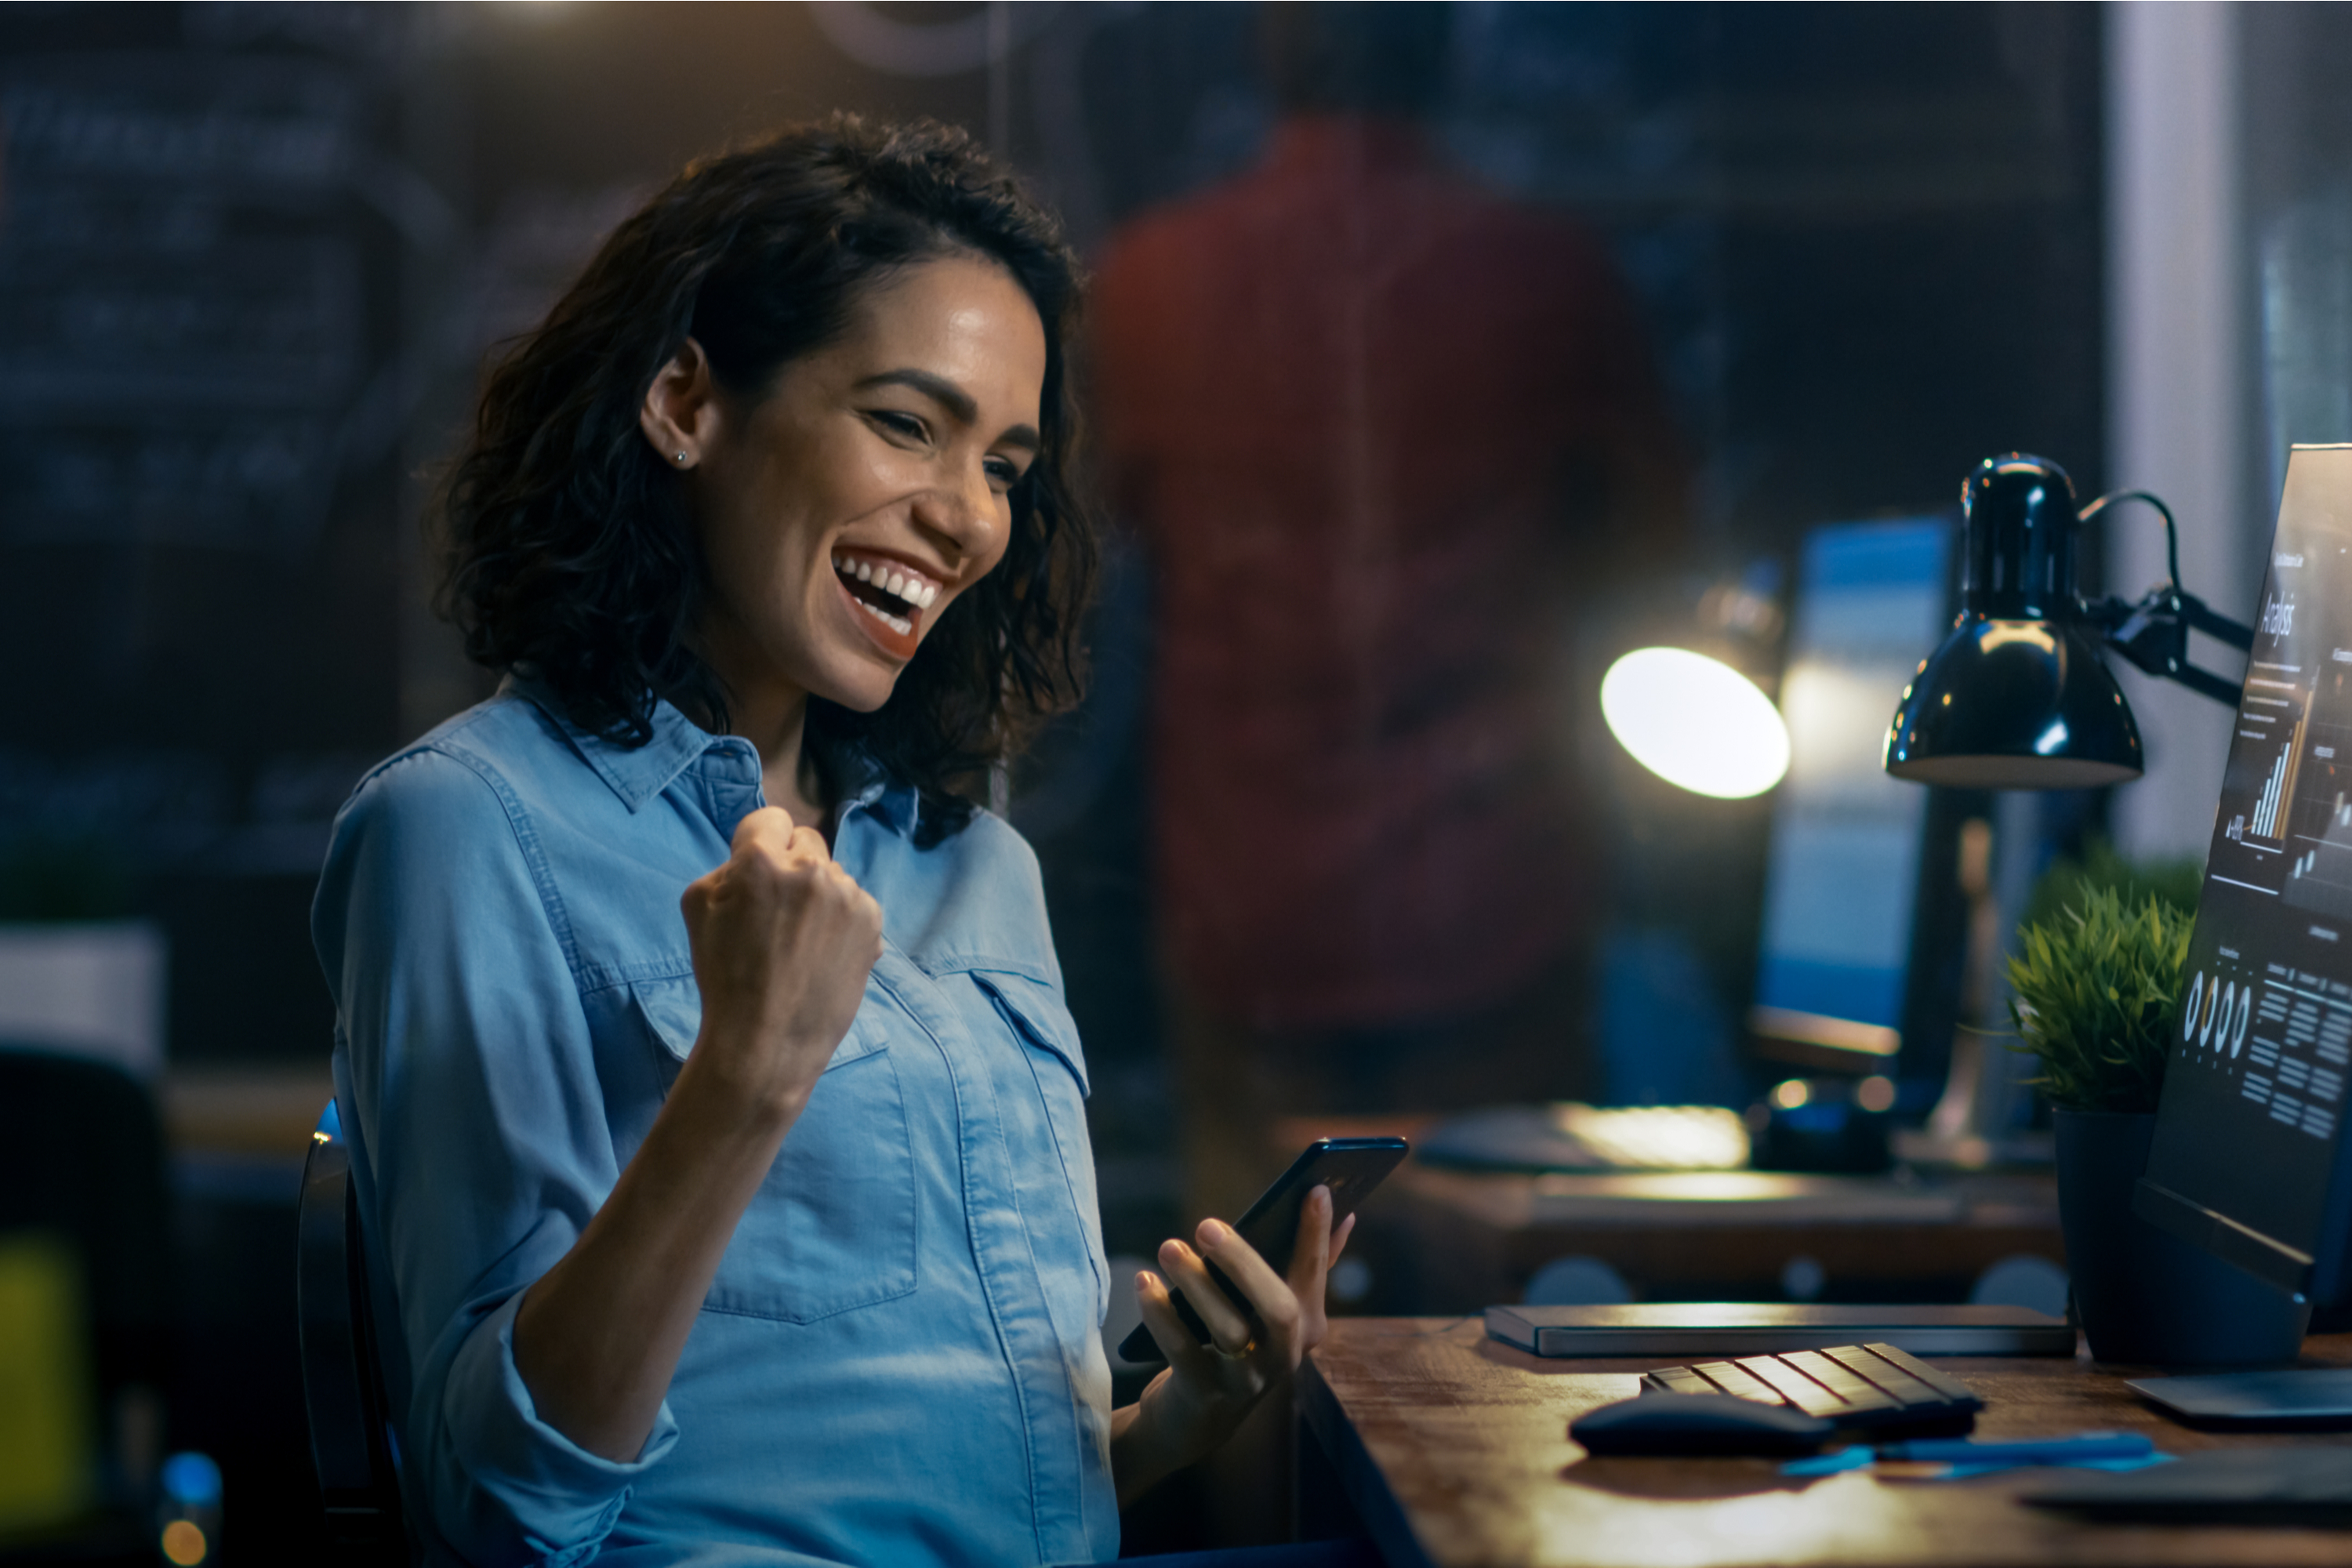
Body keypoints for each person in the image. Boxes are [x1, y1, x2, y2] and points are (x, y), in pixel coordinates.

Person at [312, 117, 1351, 1568]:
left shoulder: (976, 865)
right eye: (908, 423)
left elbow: (940, 1460)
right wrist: (744, 1077)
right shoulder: (464, 827)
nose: (966, 519)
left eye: (1005, 464)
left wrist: (1176, 1419)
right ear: (685, 402)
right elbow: (495, 1507)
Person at [1090, 5, 1690, 1223]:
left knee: (1249, 1323)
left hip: (1239, 900)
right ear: (1449, 51)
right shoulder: (1547, 273)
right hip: (1493, 895)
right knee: (1500, 1322)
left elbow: (1069, 552)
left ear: (1270, 54)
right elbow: (1659, 553)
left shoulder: (1154, 280)